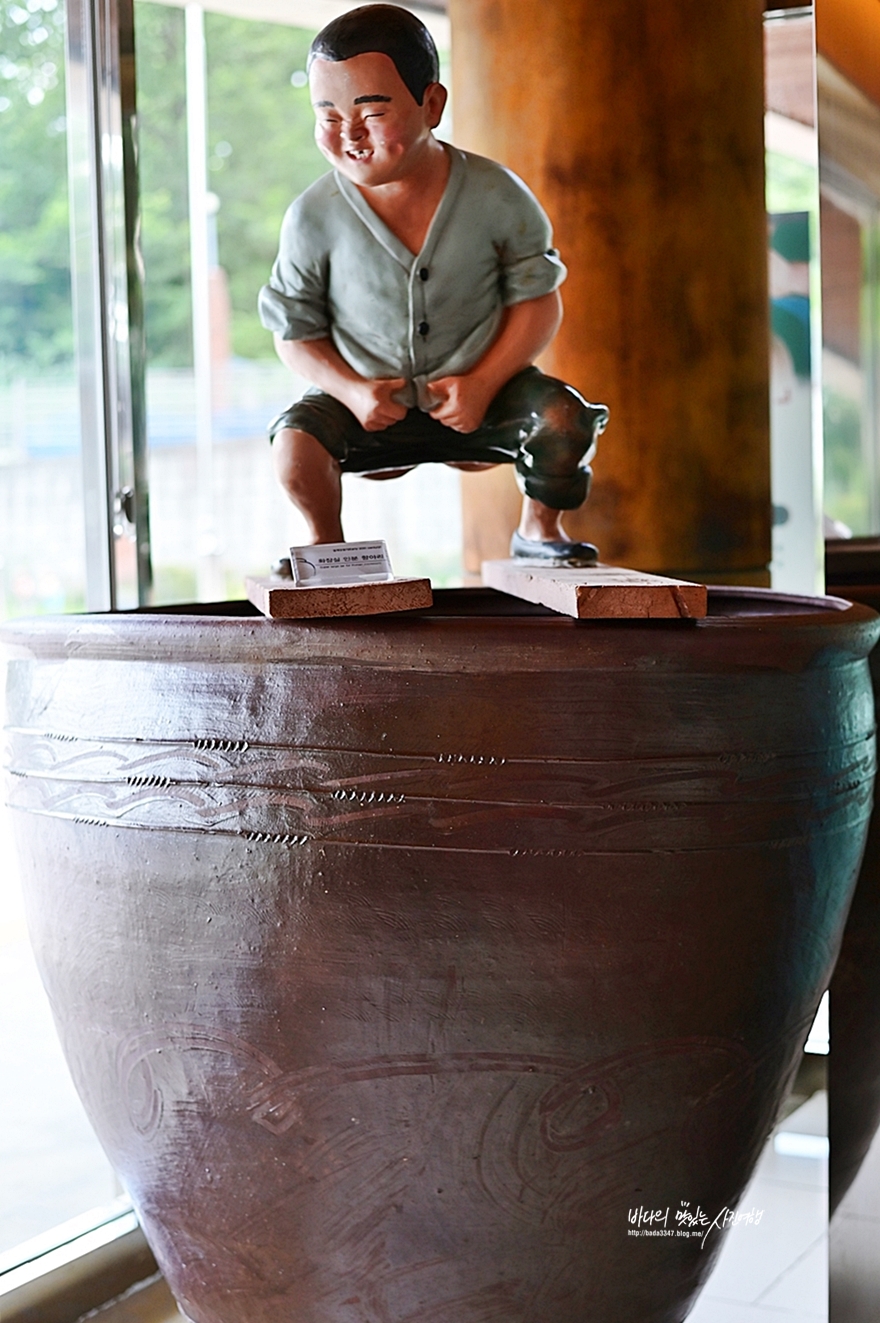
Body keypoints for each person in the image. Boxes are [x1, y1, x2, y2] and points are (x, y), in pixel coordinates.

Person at [258, 3, 608, 566]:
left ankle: (540, 529)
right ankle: (326, 546)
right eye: (327, 115)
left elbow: (539, 301)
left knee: (565, 419)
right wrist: (350, 391)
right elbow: (293, 331)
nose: (349, 134)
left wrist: (485, 380)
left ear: (431, 104)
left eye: (371, 113)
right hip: (367, 400)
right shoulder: (311, 216)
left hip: (487, 393)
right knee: (294, 446)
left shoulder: (497, 194)